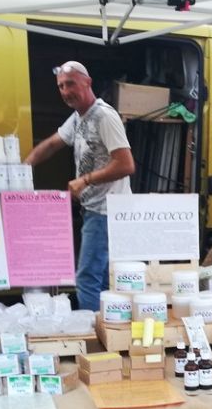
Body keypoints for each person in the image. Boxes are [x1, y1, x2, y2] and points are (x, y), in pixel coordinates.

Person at [23, 60, 135, 311]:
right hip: (96, 210)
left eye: (70, 84)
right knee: (104, 280)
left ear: (87, 82)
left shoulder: (104, 116)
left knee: (86, 279)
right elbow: (52, 144)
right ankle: (107, 327)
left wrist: (85, 180)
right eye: (61, 86)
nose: (65, 91)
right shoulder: (78, 117)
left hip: (106, 211)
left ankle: (92, 331)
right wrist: (23, 168)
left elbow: (126, 164)